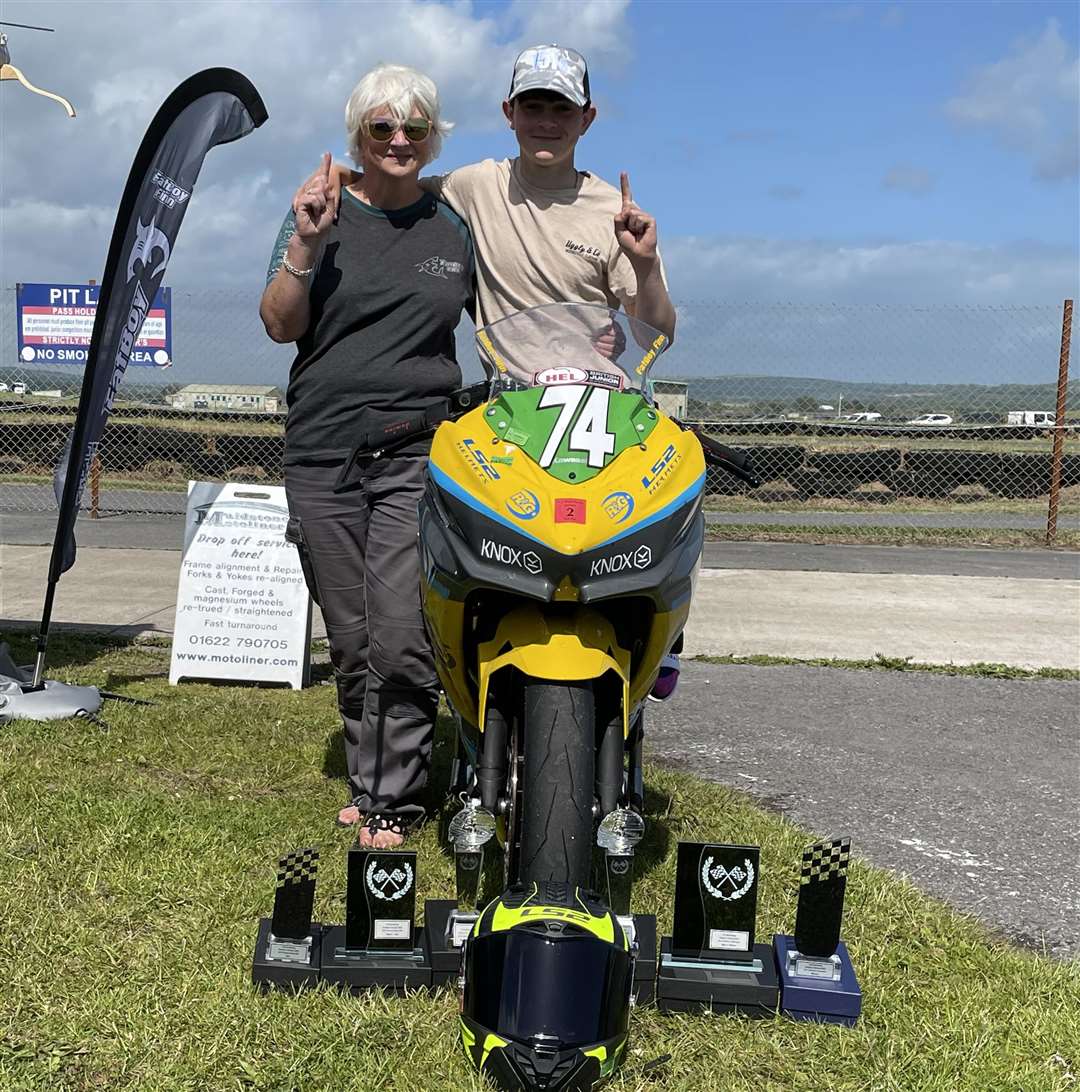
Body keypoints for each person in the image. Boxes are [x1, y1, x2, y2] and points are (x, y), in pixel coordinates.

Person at [313, 43, 683, 698]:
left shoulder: (612, 211)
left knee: (666, 488)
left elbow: (656, 330)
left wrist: (646, 263)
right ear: (509, 113)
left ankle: (666, 632)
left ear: (587, 119)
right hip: (511, 408)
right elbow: (397, 187)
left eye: (561, 108)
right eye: (534, 105)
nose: (547, 121)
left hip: (598, 403)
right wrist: (339, 182)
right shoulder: (472, 186)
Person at [260, 64, 474, 847]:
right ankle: (369, 774)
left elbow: (508, 317)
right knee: (350, 637)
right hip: (322, 451)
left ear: (432, 138)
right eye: (382, 127)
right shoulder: (317, 212)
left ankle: (396, 799)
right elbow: (281, 325)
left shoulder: (453, 228)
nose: (397, 141)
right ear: (357, 134)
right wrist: (305, 248)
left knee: (402, 632)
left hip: (418, 451)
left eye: (414, 129)